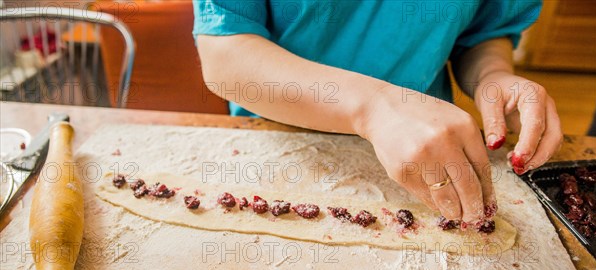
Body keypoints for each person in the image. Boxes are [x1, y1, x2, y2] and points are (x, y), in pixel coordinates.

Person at [192, 0, 562, 225]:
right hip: (282, 141)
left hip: (428, 151)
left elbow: (481, 33)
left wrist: (492, 77)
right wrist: (374, 106)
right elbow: (227, 52)